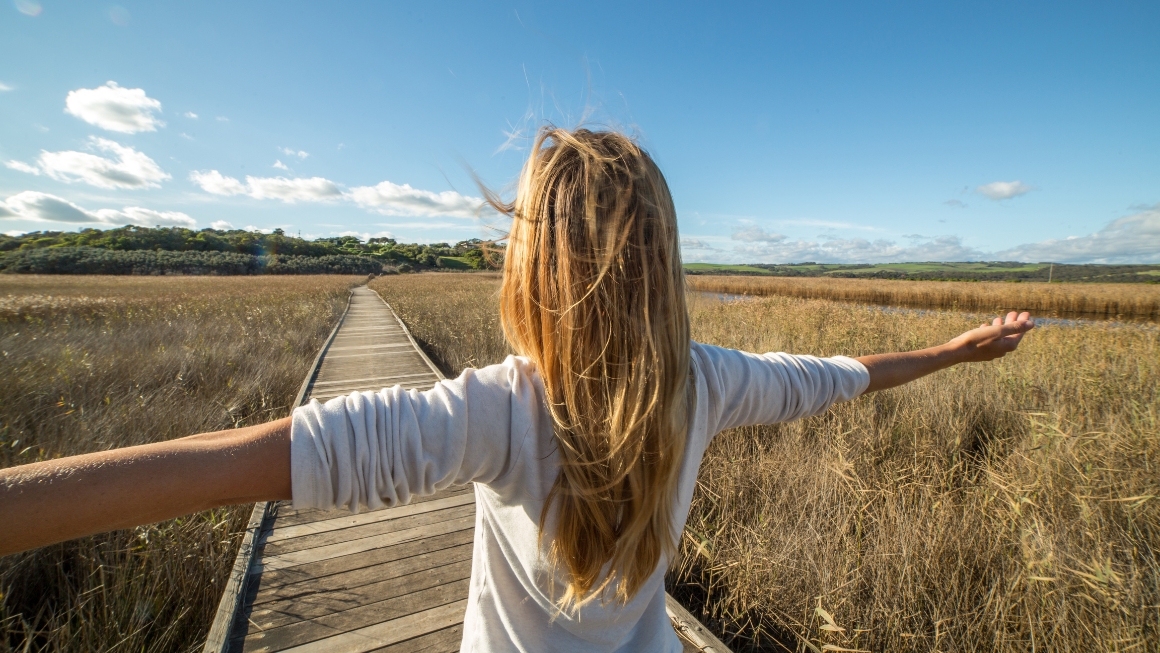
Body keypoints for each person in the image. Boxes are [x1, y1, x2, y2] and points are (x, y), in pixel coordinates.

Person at [0, 127, 1034, 652]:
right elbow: (839, 379)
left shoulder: (488, 411)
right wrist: (953, 351)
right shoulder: (708, 383)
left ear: (531, 273)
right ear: (661, 264)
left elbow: (219, 467)